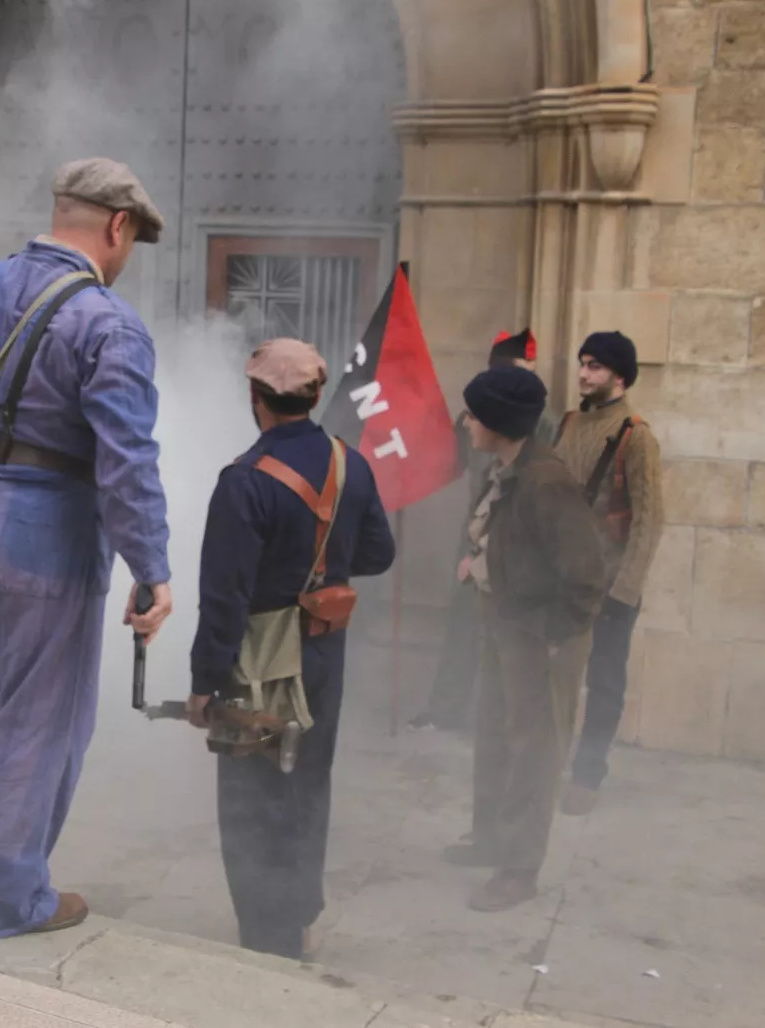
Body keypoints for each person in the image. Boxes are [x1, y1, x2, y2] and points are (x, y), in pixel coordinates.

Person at [0, 158, 174, 938]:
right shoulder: (109, 323)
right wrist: (151, 569)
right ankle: (4, 898)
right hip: (46, 536)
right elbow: (126, 460)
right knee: (37, 722)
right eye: (131, 242)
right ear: (116, 227)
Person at [187, 338, 396, 960]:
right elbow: (379, 554)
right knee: (307, 783)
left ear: (256, 398)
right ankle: (300, 917)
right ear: (312, 395)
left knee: (253, 796)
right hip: (324, 657)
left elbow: (223, 599)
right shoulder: (349, 463)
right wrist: (322, 572)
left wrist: (204, 682)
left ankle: (266, 936)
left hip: (258, 664)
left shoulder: (244, 481)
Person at [441, 365, 605, 912]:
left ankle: (519, 868)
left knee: (535, 749)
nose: (466, 422)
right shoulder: (504, 468)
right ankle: (490, 837)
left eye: (475, 414)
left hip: (540, 635)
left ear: (502, 422)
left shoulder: (546, 482)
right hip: (504, 620)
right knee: (492, 731)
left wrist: (555, 637)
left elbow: (585, 573)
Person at [409, 329, 556, 732]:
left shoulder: (545, 425)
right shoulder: (474, 418)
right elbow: (442, 458)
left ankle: (500, 719)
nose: (526, 378)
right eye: (516, 369)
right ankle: (446, 709)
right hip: (473, 534)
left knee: (508, 631)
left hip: (515, 539)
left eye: (529, 369)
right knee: (462, 625)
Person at [555, 331, 664, 816]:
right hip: (563, 578)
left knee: (604, 684)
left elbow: (650, 518)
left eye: (595, 366)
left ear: (620, 375)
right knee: (555, 676)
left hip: (611, 584)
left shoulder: (637, 436)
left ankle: (587, 775)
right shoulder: (569, 423)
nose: (583, 373)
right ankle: (549, 765)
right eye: (582, 363)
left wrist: (626, 590)